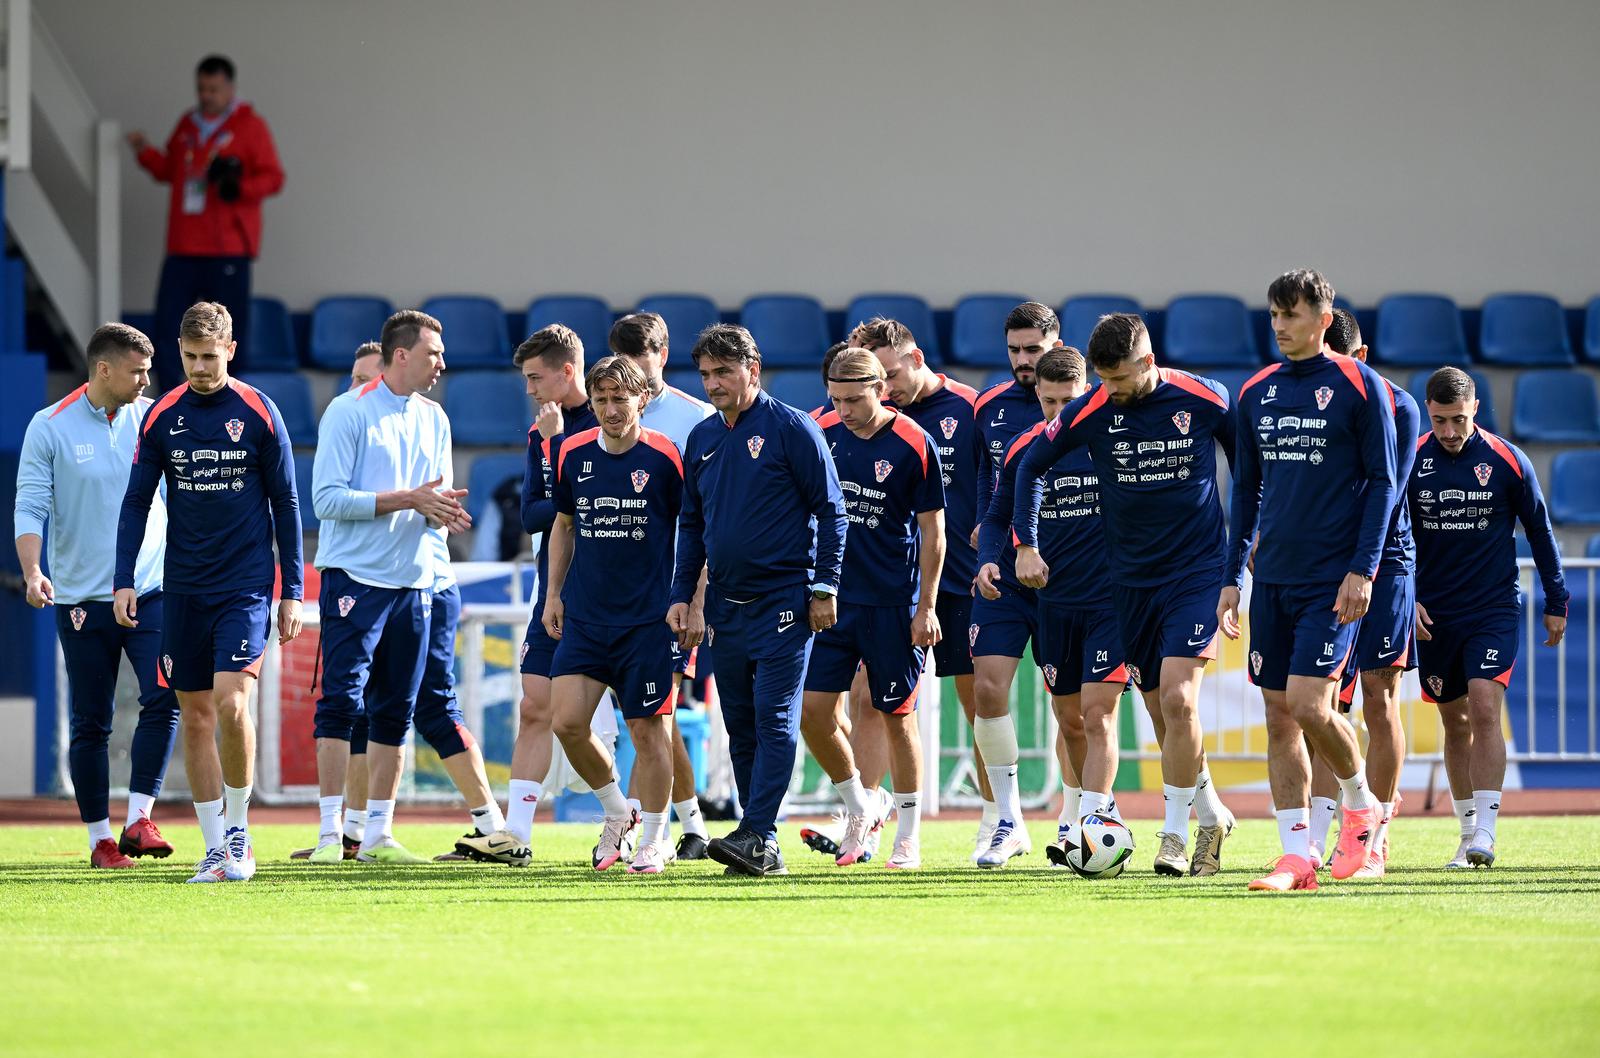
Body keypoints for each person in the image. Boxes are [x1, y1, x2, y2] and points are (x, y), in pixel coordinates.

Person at [1014, 312, 1238, 877]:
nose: (1109, 392)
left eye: (1118, 380)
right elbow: (1029, 468)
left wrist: (1244, 549)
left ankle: (1173, 834)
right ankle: (1210, 810)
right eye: (1103, 380)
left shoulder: (1204, 399)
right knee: (1162, 711)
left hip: (1196, 570)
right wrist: (1025, 543)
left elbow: (1249, 466)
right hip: (1131, 581)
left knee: (1181, 700)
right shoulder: (1091, 412)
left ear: (1146, 361)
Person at [113, 301, 303, 883]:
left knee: (231, 703)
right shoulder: (162, 416)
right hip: (183, 590)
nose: (199, 367)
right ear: (179, 351)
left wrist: (291, 588)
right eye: (191, 356)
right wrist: (123, 578)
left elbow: (288, 504)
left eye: (210, 357)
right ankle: (215, 846)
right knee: (193, 715)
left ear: (231, 352)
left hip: (245, 585)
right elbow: (136, 502)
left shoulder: (259, 412)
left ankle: (242, 833)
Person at [1220, 270, 1396, 892]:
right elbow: (1245, 489)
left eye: (1292, 316)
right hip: (1273, 579)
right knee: (1277, 716)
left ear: (1325, 318)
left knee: (1308, 704)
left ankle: (1361, 804)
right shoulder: (1256, 392)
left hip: (1332, 578)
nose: (1280, 327)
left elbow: (1383, 483)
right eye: (1273, 315)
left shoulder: (1360, 386)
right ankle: (1296, 854)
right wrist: (1233, 574)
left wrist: (1363, 570)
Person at [295, 346, 505, 864]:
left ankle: (480, 827)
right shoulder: (350, 414)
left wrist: (437, 508)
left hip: (424, 582)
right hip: (362, 578)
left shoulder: (431, 416)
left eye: (365, 376)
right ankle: (343, 834)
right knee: (352, 705)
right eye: (353, 377)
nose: (443, 364)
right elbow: (326, 501)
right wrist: (412, 500)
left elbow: (431, 500)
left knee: (418, 707)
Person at [671, 324, 847, 877]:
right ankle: (757, 839)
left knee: (774, 720)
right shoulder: (702, 438)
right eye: (705, 374)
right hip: (726, 605)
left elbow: (832, 510)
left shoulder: (791, 427)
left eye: (723, 372)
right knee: (741, 724)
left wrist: (824, 587)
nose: (713, 383)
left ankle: (759, 832)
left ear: (753, 369)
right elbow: (692, 526)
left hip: (784, 601)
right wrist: (684, 594)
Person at [15, 324, 180, 868]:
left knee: (164, 701)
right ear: (103, 370)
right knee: (93, 720)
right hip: (82, 600)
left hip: (151, 590)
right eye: (137, 370)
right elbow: (30, 505)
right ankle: (99, 841)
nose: (146, 380)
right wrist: (35, 570)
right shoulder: (50, 426)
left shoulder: (154, 418)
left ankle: (138, 819)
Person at [541, 356, 694, 873]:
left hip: (648, 621)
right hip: (585, 615)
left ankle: (656, 838)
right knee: (566, 723)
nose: (609, 408)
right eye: (601, 398)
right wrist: (553, 595)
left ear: (642, 401)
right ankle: (616, 812)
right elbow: (563, 525)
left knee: (650, 732)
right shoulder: (573, 452)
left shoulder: (668, 457)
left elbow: (695, 534)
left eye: (619, 398)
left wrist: (692, 601)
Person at [1411, 366, 1567, 868]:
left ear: (1474, 409)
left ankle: (1487, 833)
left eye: (1458, 419)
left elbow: (1540, 532)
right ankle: (1465, 832)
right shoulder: (1411, 460)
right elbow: (1389, 534)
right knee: (1454, 722)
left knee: (1483, 707)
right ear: (1428, 415)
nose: (1450, 432)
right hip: (1433, 614)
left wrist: (1557, 600)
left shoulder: (1507, 460)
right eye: (1439, 421)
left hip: (1493, 609)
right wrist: (1404, 596)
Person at [801, 349, 946, 870]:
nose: (843, 409)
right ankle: (861, 806)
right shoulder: (818, 432)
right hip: (831, 601)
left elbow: (934, 534)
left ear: (881, 387)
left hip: (891, 604)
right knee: (813, 714)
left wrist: (926, 606)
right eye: (835, 399)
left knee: (896, 717)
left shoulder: (914, 443)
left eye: (854, 399)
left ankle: (908, 835)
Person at [984, 348, 1128, 866]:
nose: (1060, 413)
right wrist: (986, 560)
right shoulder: (1027, 448)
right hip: (1055, 603)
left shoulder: (1115, 436)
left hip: (1113, 601)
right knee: (1068, 718)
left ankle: (1095, 824)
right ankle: (1087, 817)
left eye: (1071, 400)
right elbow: (999, 513)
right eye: (1049, 402)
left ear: (1089, 389)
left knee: (1098, 713)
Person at [858, 320, 988, 826]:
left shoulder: (970, 408)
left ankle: (997, 818)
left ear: (917, 358)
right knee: (870, 699)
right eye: (875, 378)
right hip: (888, 586)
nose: (884, 388)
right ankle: (863, 811)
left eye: (890, 374)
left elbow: (1000, 478)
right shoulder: (870, 417)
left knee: (979, 707)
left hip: (959, 582)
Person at [1304, 309, 1419, 875]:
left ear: (1361, 357)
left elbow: (1388, 494)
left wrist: (1365, 569)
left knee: (1378, 696)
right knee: (1325, 703)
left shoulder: (1397, 405)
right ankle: (1330, 830)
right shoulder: (1304, 396)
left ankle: (1377, 837)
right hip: (1325, 564)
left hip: (1383, 564)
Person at [607, 312, 717, 859]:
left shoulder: (695, 419)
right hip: (616, 589)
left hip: (675, 587)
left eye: (643, 366)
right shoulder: (608, 416)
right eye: (624, 367)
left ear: (663, 357)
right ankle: (691, 823)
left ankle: (636, 827)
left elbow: (703, 513)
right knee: (654, 715)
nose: (634, 380)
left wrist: (696, 591)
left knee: (653, 713)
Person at [492, 325, 597, 857]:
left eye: (536, 378)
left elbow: (582, 506)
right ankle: (518, 834)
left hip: (611, 590)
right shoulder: (540, 432)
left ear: (567, 371)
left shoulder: (610, 418)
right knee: (535, 708)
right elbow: (537, 513)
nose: (531, 390)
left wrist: (558, 448)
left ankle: (658, 824)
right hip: (554, 587)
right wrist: (551, 444)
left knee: (648, 720)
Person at [128, 56, 284, 386]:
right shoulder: (188, 124)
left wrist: (237, 187)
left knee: (227, 326)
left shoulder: (249, 126)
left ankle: (229, 396)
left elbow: (274, 178)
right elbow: (170, 170)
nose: (207, 95)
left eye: (214, 89)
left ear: (230, 88)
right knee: (170, 321)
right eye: (202, 88)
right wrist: (144, 152)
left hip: (227, 246)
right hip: (184, 243)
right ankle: (174, 392)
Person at [966, 302, 1054, 865]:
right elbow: (983, 487)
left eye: (1034, 350)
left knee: (1074, 710)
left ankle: (1078, 819)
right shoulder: (989, 407)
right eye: (1015, 351)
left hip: (1069, 578)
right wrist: (985, 555)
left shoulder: (1085, 407)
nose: (1023, 361)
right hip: (1003, 576)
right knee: (989, 689)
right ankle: (1007, 818)